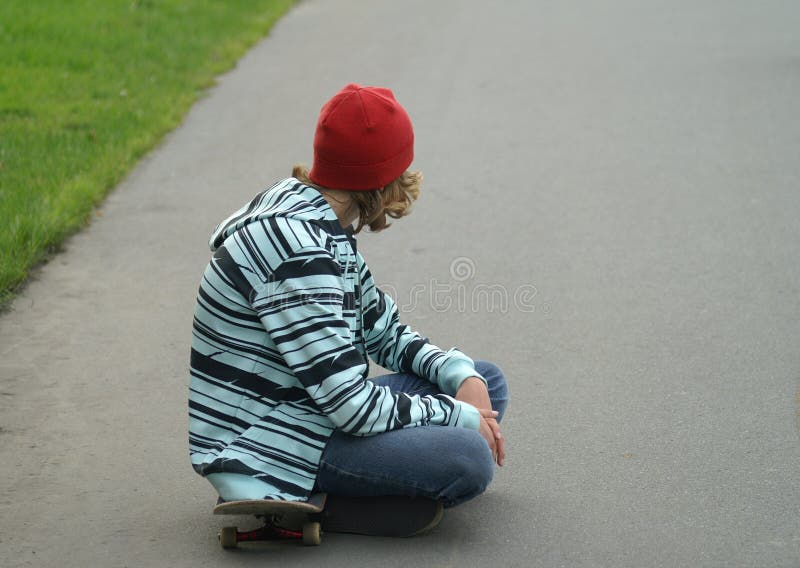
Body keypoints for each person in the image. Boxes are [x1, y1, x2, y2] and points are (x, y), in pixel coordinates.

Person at [188, 83, 509, 536]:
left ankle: (384, 477)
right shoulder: (296, 253)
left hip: (308, 408)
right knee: (468, 458)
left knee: (485, 380)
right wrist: (461, 418)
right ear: (385, 181)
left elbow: (384, 333)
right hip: (271, 440)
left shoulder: (320, 224)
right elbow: (351, 408)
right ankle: (284, 500)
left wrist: (461, 378)